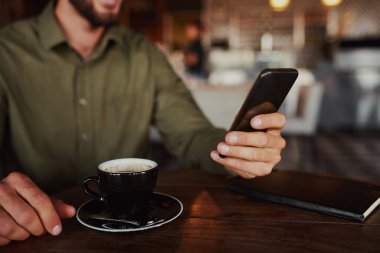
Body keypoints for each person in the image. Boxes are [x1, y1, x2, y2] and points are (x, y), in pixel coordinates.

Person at [0, 0, 286, 245]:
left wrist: (236, 150)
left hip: (132, 238)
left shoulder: (145, 55)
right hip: (38, 234)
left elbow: (192, 134)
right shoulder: (7, 51)